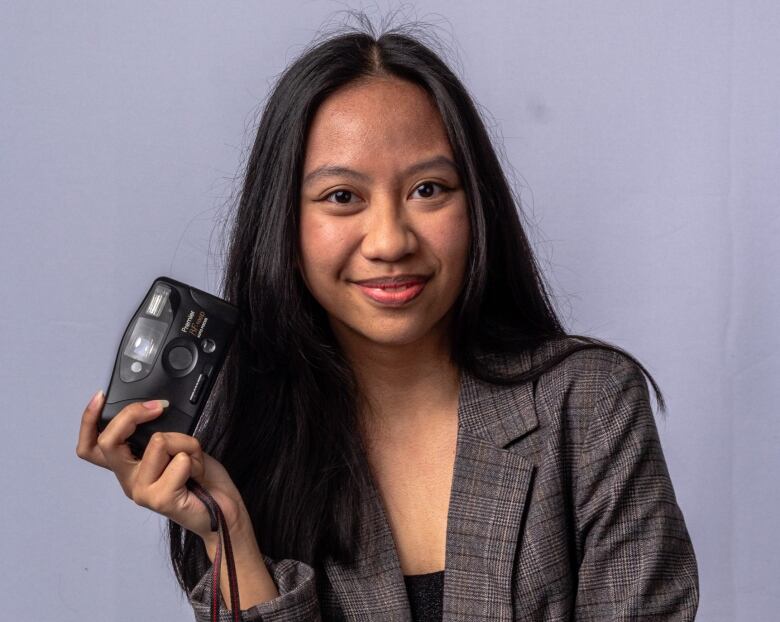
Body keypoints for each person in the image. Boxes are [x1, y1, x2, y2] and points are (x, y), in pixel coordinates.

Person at [77, 15, 699, 621]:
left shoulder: (588, 405)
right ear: (284, 226)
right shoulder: (246, 450)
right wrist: (229, 538)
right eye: (341, 197)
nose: (390, 240)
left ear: (475, 203)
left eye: (428, 189)